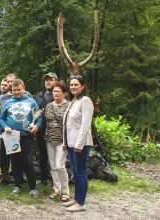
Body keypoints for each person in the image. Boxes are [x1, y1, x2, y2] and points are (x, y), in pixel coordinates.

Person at [0, 79, 41, 198]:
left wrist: (36, 126)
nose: (16, 92)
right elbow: (1, 118)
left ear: (24, 88)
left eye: (19, 90)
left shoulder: (31, 102)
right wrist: (6, 127)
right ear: (11, 89)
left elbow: (39, 117)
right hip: (11, 137)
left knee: (28, 162)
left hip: (27, 137)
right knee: (15, 162)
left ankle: (33, 188)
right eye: (14, 90)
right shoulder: (8, 102)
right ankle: (17, 186)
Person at [62, 75, 94, 212]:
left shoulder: (85, 101)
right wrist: (65, 142)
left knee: (80, 173)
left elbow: (85, 125)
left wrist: (79, 145)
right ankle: (76, 198)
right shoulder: (73, 101)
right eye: (71, 85)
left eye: (76, 85)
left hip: (80, 145)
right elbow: (67, 125)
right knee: (75, 171)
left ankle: (81, 203)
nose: (73, 87)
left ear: (83, 86)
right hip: (70, 143)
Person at [44, 81, 70, 201]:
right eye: (54, 91)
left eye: (58, 91)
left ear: (64, 93)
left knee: (60, 166)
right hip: (49, 139)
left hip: (62, 140)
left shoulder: (69, 105)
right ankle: (57, 189)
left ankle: (66, 191)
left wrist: (67, 141)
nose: (56, 93)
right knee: (53, 166)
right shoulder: (49, 106)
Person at [35, 72, 60, 186]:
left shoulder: (62, 95)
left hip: (56, 132)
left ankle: (57, 180)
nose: (48, 81)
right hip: (41, 130)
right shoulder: (39, 96)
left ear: (56, 81)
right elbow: (36, 113)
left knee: (56, 157)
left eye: (51, 79)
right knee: (43, 156)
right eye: (46, 80)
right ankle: (44, 179)